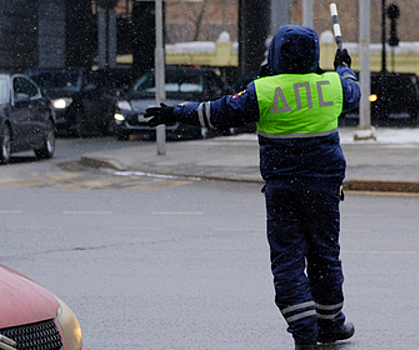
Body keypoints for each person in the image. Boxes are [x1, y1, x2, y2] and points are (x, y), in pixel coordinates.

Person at [145, 25, 361, 350]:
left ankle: (304, 329)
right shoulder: (331, 86)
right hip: (324, 190)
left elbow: (218, 113)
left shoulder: (262, 91)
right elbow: (353, 90)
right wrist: (343, 66)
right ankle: (330, 324)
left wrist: (175, 113)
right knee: (325, 256)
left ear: (276, 55)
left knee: (288, 260)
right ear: (314, 55)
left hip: (282, 190)